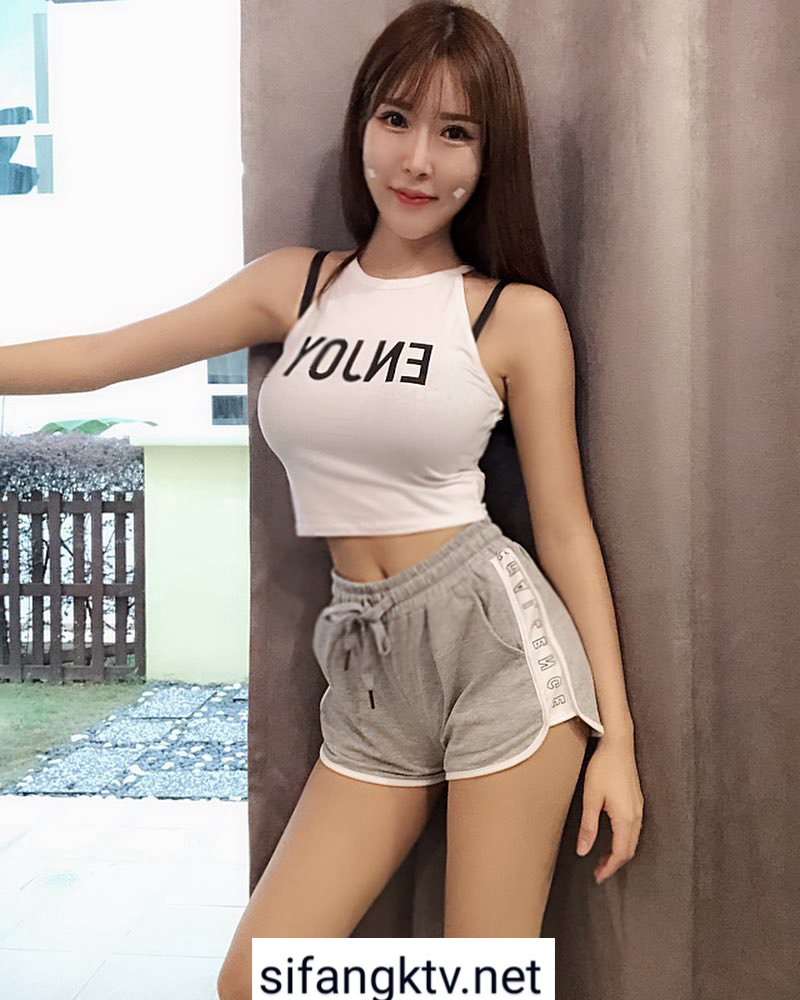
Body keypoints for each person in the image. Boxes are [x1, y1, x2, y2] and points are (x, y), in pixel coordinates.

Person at [0, 0, 644, 985]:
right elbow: (99, 356)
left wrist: (617, 740)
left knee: (481, 980)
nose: (417, 160)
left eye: (455, 132)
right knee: (253, 978)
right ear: (361, 126)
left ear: (488, 158)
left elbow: (564, 532)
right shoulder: (293, 287)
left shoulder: (514, 317)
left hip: (498, 651)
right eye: (396, 119)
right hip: (366, 659)